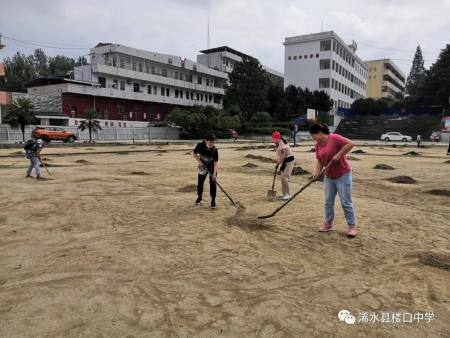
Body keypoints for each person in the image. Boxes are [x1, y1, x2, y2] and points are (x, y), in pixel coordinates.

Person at [309, 123, 357, 238]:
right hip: (329, 177)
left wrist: (339, 154)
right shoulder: (318, 145)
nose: (313, 137)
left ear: (320, 132)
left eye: (313, 135)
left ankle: (352, 227)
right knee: (328, 202)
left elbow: (351, 144)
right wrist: (317, 173)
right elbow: (319, 161)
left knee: (346, 202)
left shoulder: (334, 138)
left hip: (343, 175)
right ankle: (328, 224)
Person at [193, 134, 219, 209]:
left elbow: (216, 163)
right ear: (206, 140)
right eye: (210, 142)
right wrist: (200, 163)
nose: (212, 144)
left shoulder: (215, 150)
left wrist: (214, 174)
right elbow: (194, 154)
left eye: (213, 142)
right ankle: (199, 197)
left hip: (211, 168)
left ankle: (213, 200)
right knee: (200, 182)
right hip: (202, 167)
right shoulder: (200, 145)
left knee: (213, 184)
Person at [272, 131, 295, 201]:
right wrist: (277, 161)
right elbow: (279, 156)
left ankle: (287, 194)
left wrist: (278, 163)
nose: (274, 141)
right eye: (273, 139)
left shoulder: (282, 146)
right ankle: (284, 194)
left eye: (275, 139)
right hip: (285, 161)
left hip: (289, 161)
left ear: (279, 138)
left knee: (284, 177)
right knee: (282, 177)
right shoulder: (279, 143)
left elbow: (282, 158)